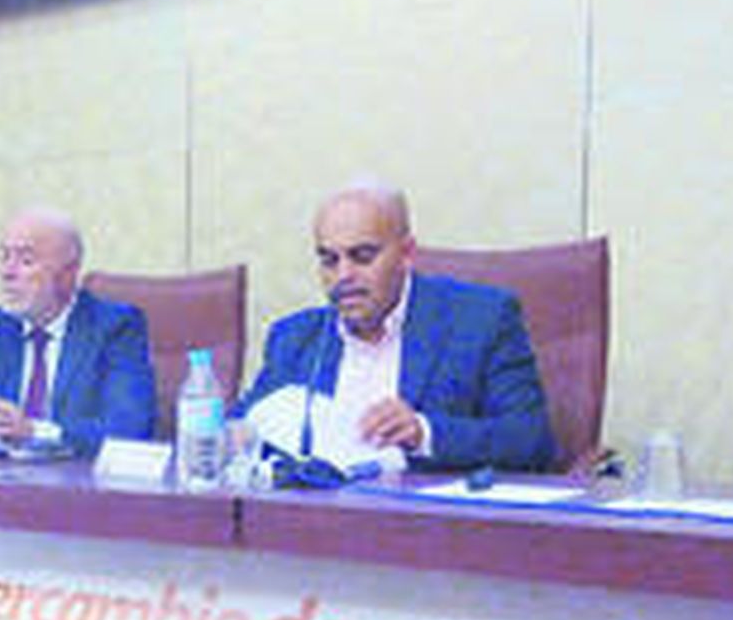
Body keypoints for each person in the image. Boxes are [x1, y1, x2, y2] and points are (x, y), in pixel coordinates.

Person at [237, 182, 554, 471]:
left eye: (362, 256)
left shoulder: (480, 320)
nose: (343, 276)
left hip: (427, 523)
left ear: (406, 254)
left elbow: (530, 439)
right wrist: (231, 436)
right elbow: (243, 421)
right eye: (329, 260)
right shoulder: (297, 338)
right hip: (316, 521)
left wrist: (423, 433)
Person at [0, 207, 155, 457]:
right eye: (4, 257)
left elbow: (130, 429)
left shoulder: (115, 327)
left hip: (79, 488)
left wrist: (36, 432)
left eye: (26, 261)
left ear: (68, 275)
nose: (7, 273)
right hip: (3, 486)